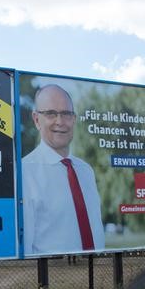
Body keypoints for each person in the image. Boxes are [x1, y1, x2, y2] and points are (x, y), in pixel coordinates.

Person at [22, 84, 105, 256]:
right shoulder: (24, 173)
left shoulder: (85, 171)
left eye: (66, 114)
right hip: (53, 279)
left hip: (98, 274)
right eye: (51, 114)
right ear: (37, 120)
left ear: (73, 119)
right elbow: (23, 249)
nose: (60, 121)